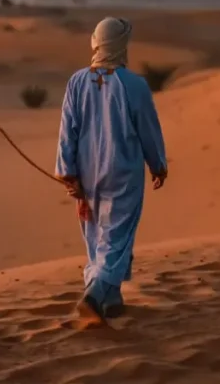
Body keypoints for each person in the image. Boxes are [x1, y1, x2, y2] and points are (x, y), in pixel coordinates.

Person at [56, 16, 168, 322]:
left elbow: (68, 131)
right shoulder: (134, 85)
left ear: (96, 42)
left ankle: (112, 300)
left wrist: (67, 171)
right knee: (116, 236)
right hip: (123, 173)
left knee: (97, 236)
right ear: (121, 44)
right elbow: (148, 128)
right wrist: (157, 163)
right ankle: (95, 294)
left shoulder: (77, 81)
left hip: (87, 173)